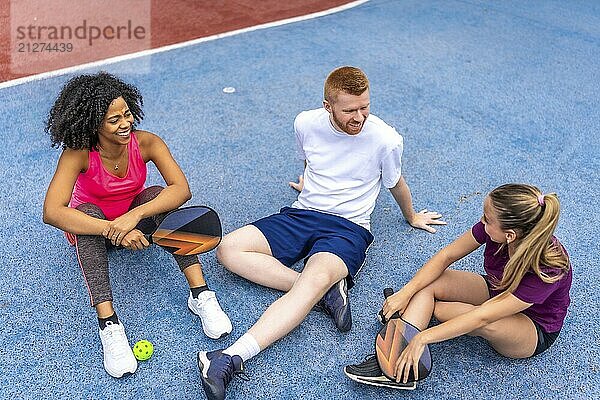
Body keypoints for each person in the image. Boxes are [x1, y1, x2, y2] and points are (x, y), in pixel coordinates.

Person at [196, 66, 445, 400]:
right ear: (328, 106)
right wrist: (308, 184)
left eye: (365, 107)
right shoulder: (305, 122)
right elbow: (308, 160)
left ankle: (230, 357)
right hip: (303, 212)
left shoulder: (386, 139)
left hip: (348, 228)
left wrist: (412, 216)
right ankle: (328, 294)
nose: (360, 117)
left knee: (312, 280)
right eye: (350, 110)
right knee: (228, 250)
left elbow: (395, 183)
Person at [42, 72, 232, 378]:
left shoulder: (146, 143)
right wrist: (112, 228)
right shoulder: (77, 153)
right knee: (87, 212)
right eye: (113, 120)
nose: (125, 123)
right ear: (94, 125)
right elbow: (52, 211)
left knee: (158, 195)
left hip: (134, 220)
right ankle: (109, 325)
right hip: (96, 230)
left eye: (127, 114)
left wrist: (133, 217)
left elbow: (181, 189)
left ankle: (200, 295)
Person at [345, 183, 572, 388]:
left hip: (532, 325)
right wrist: (405, 293)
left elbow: (483, 317)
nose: (482, 222)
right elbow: (446, 256)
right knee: (429, 285)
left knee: (447, 312)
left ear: (510, 235)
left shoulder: (549, 268)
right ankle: (397, 358)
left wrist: (422, 338)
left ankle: (400, 357)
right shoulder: (500, 230)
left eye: (487, 219)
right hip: (498, 290)